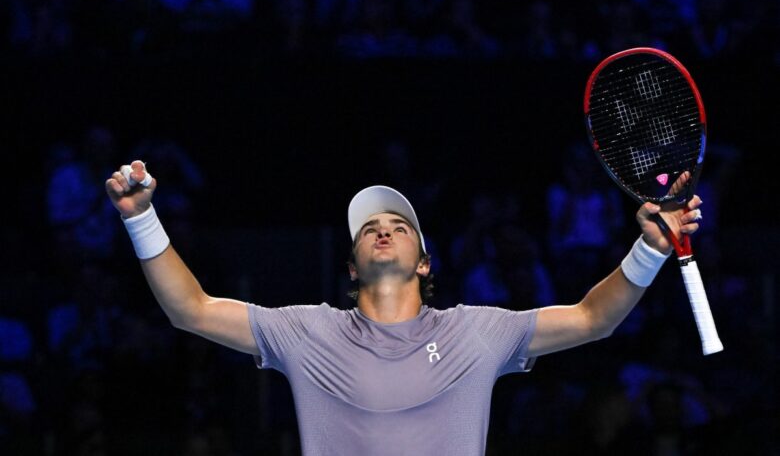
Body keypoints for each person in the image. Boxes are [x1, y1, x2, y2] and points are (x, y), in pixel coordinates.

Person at [105, 160, 703, 456]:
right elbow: (191, 309)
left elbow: (594, 318)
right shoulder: (307, 332)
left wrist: (650, 248)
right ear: (351, 266)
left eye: (399, 226)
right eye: (370, 229)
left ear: (424, 262)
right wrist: (141, 217)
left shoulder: (478, 332)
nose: (383, 231)